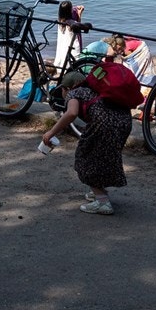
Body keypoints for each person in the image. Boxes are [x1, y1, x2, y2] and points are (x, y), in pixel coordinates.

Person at [36, 34, 135, 215]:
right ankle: (99, 191)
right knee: (105, 156)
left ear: (67, 88)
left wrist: (51, 132)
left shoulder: (75, 94)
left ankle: (103, 202)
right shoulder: (94, 88)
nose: (63, 95)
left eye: (63, 91)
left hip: (104, 124)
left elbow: (72, 113)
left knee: (85, 158)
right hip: (124, 121)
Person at [54, 0, 84, 70]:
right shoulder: (71, 23)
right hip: (73, 47)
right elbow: (79, 27)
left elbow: (73, 10)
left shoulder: (60, 20)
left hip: (64, 46)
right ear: (69, 11)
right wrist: (79, 14)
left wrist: (77, 8)